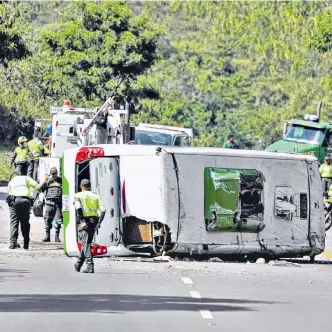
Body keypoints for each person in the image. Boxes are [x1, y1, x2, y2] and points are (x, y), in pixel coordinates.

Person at [74, 179, 106, 273]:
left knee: (86, 244)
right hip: (94, 221)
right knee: (86, 243)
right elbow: (103, 210)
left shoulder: (78, 195)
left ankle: (90, 266)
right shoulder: (96, 196)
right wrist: (99, 223)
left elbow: (78, 208)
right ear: (89, 186)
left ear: (81, 186)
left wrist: (82, 221)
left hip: (84, 221)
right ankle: (78, 264)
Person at [6, 172, 41, 249]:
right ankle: (26, 244)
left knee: (14, 222)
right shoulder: (26, 178)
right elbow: (38, 187)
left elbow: (9, 193)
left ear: (12, 177)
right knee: (25, 222)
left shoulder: (11, 182)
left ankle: (12, 243)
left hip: (14, 202)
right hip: (25, 201)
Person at [39, 167, 62, 242]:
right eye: (52, 174)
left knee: (57, 220)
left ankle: (57, 237)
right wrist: (45, 181)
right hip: (49, 203)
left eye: (55, 173)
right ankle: (47, 236)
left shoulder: (60, 180)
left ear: (57, 173)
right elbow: (41, 189)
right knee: (47, 219)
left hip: (58, 204)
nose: (54, 175)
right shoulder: (48, 181)